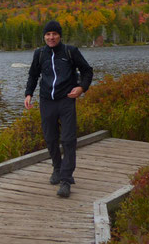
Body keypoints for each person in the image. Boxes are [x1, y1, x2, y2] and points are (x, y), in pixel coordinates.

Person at [24, 21, 93, 198]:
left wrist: (81, 88)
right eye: (48, 34)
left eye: (54, 34)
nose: (51, 37)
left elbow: (87, 71)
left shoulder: (70, 52)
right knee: (50, 138)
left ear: (60, 36)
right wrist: (28, 94)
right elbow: (33, 75)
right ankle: (57, 167)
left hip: (66, 100)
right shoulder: (40, 54)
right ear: (44, 36)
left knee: (68, 139)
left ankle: (66, 180)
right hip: (47, 101)